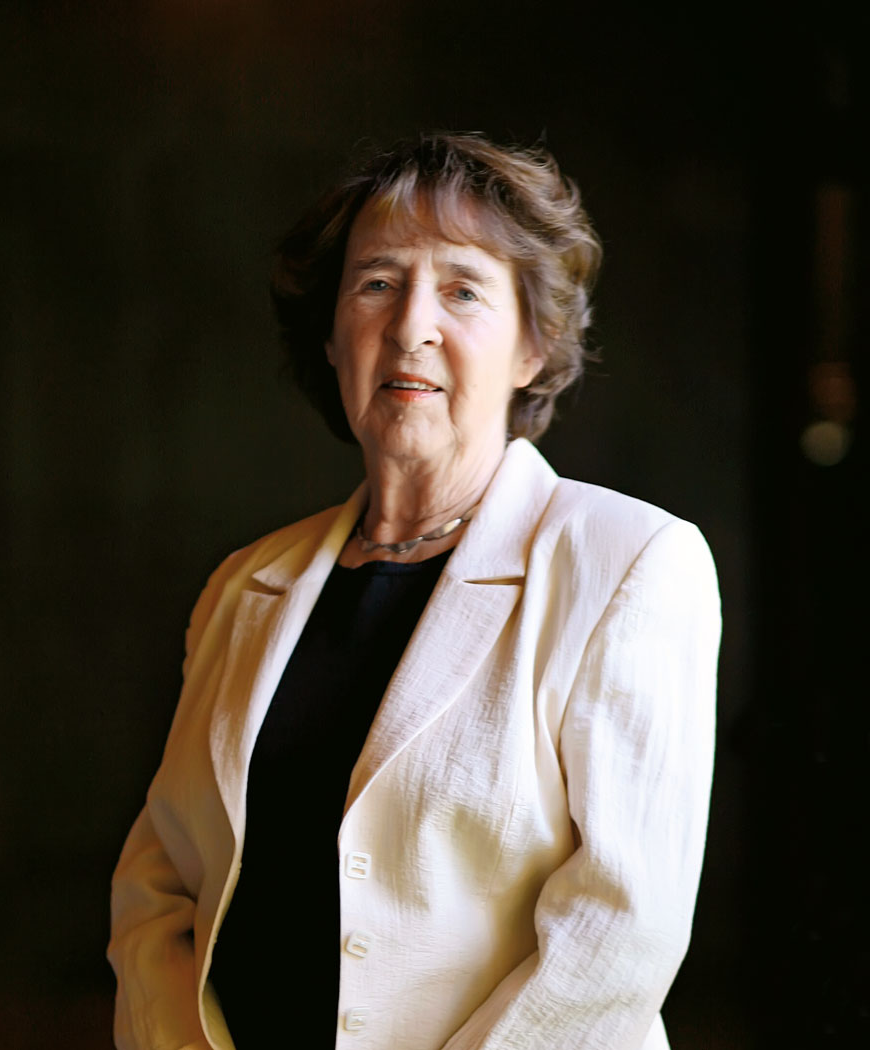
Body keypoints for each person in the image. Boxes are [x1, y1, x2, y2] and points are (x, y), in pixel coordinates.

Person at [106, 133, 721, 1050]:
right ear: (330, 337)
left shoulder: (628, 561)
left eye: (462, 290)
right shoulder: (244, 586)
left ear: (532, 345)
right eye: (376, 283)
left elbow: (617, 934)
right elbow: (158, 887)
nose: (409, 327)